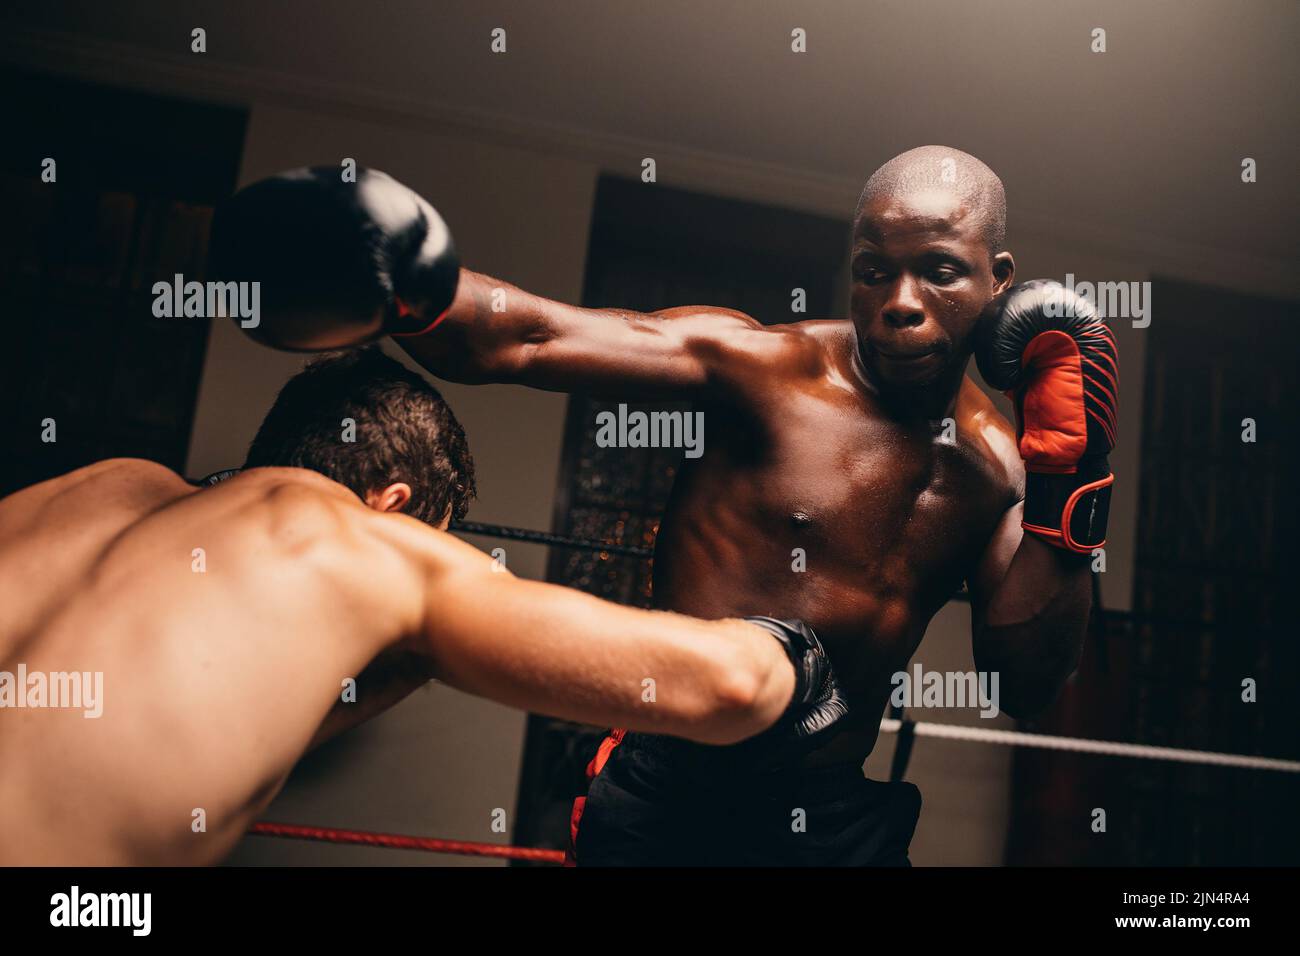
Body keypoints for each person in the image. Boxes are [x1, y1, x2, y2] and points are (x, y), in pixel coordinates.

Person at [209, 146, 1118, 865]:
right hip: (674, 793)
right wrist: (405, 287)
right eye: (873, 270)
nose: (899, 304)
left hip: (836, 820)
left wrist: (1074, 480)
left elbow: (1028, 680)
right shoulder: (769, 370)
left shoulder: (1003, 466)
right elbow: (530, 338)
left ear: (1001, 278)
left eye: (940, 273)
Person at [0, 349, 846, 865]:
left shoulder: (104, 485)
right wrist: (792, 656)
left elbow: (192, 728)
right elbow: (727, 689)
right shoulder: (362, 544)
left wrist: (399, 666)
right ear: (395, 505)